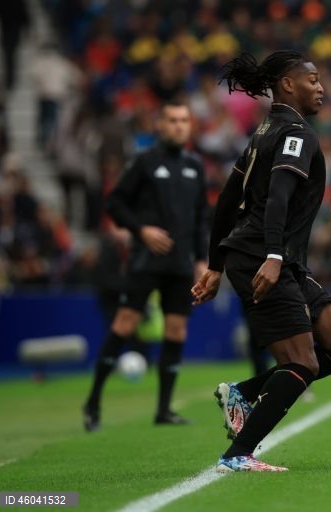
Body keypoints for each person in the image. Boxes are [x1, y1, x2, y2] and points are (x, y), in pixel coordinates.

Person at [191, 50, 331, 473]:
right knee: (302, 362)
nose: (321, 87)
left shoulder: (265, 130)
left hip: (279, 259)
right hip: (264, 258)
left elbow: (229, 200)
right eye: (313, 79)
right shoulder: (295, 134)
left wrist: (215, 264)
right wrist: (268, 256)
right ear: (288, 84)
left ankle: (244, 393)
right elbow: (279, 199)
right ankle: (237, 456)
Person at [83, 100, 209, 431]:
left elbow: (200, 219)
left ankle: (164, 410)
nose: (179, 125)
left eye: (184, 120)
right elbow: (114, 203)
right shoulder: (144, 162)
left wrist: (200, 260)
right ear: (160, 125)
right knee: (125, 324)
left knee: (176, 329)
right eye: (172, 120)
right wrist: (142, 230)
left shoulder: (195, 166)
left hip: (181, 264)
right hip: (146, 260)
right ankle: (93, 401)